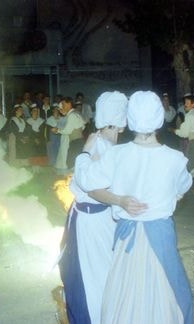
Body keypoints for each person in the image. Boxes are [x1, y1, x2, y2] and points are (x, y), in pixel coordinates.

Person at [84, 91, 193, 323]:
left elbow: (90, 186)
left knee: (124, 293)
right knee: (166, 293)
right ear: (160, 120)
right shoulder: (175, 158)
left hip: (126, 237)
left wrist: (120, 200)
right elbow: (182, 189)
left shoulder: (117, 154)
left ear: (130, 121)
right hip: (160, 235)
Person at [59, 91, 128, 324]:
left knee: (106, 272)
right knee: (91, 275)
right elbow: (89, 186)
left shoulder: (108, 143)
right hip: (91, 221)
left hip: (105, 219)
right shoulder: (98, 144)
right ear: (121, 121)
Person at [53, 97, 85, 174]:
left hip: (75, 142)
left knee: (71, 163)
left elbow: (67, 131)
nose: (62, 106)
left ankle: (70, 181)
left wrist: (57, 130)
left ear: (69, 104)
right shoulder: (75, 113)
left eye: (63, 104)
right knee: (73, 162)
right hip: (79, 141)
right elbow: (83, 126)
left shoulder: (72, 115)